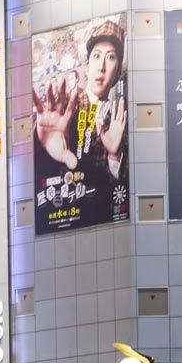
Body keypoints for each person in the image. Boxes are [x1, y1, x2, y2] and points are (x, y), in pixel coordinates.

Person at [32, 18, 129, 229]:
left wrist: (114, 156)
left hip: (103, 226)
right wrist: (43, 148)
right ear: (87, 65)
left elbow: (123, 197)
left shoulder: (120, 121)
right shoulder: (66, 106)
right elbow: (32, 173)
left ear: (117, 69)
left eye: (111, 58)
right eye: (96, 56)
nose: (102, 67)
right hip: (64, 216)